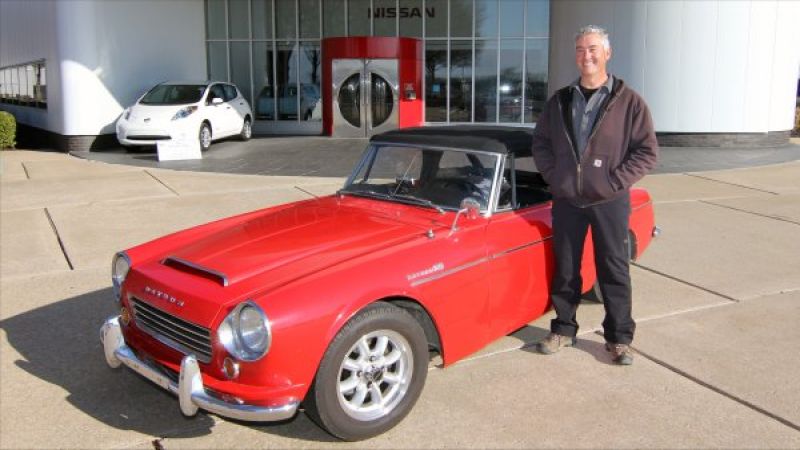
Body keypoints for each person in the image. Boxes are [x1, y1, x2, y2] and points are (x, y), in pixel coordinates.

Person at [531, 25, 658, 365]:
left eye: (592, 48)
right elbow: (540, 143)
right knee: (567, 269)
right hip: (568, 200)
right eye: (579, 49)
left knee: (613, 269)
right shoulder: (560, 100)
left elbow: (647, 152)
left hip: (609, 201)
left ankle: (618, 338)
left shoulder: (629, 102)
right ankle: (563, 329)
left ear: (606, 53)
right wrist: (555, 176)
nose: (585, 55)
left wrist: (613, 182)